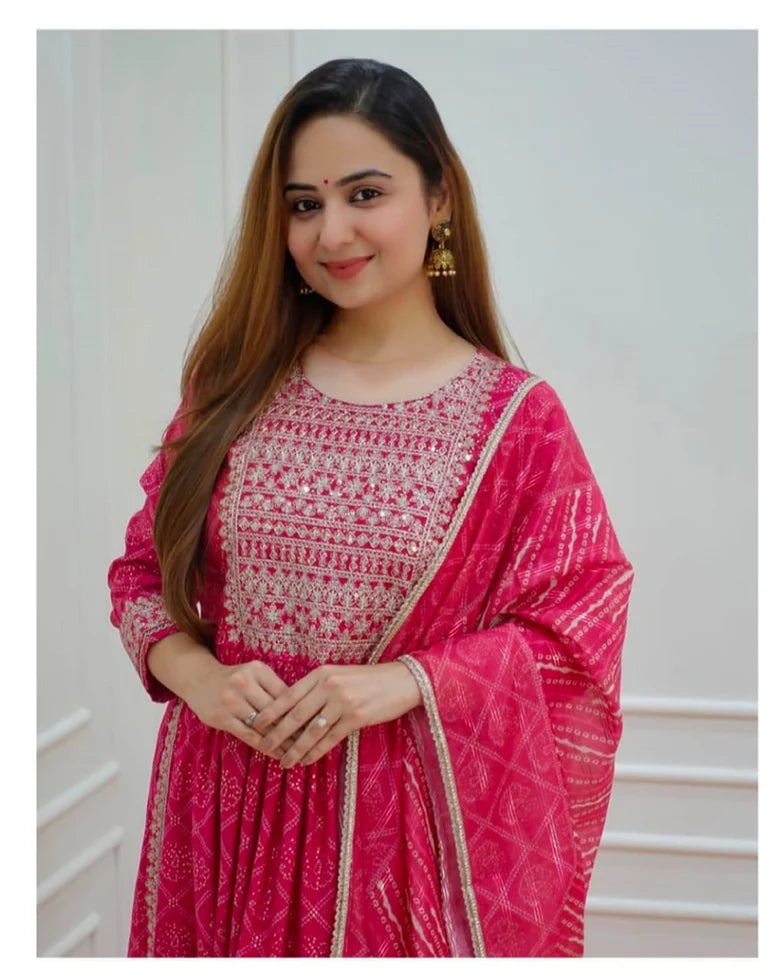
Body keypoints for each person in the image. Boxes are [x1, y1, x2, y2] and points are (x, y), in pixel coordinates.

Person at [107, 57, 634, 958]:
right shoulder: (234, 387)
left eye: (365, 193)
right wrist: (197, 676)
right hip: (219, 815)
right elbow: (140, 576)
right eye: (303, 203)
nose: (332, 232)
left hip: (397, 844)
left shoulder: (515, 421)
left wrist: (408, 683)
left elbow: (577, 635)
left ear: (438, 198)